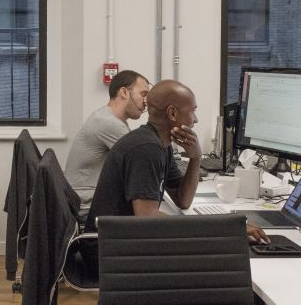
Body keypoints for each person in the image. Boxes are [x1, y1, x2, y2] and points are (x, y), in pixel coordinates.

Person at [85, 79, 268, 244]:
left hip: (121, 243)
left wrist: (195, 157)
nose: (195, 119)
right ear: (172, 113)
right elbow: (147, 218)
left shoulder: (161, 145)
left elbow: (183, 201)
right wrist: (224, 228)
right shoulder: (146, 148)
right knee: (217, 249)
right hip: (107, 254)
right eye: (193, 111)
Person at [64, 70, 150, 203]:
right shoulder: (109, 123)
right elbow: (141, 160)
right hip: (86, 205)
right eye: (143, 94)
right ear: (124, 92)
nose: (146, 102)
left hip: (83, 198)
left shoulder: (107, 116)